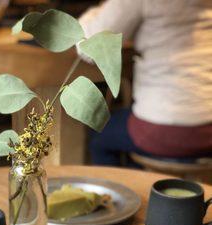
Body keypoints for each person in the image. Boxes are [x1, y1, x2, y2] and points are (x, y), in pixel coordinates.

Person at [79, 0, 212, 165]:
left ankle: (132, 187)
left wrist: (95, 12)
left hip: (161, 131)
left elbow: (90, 47)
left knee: (100, 135)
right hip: (208, 128)